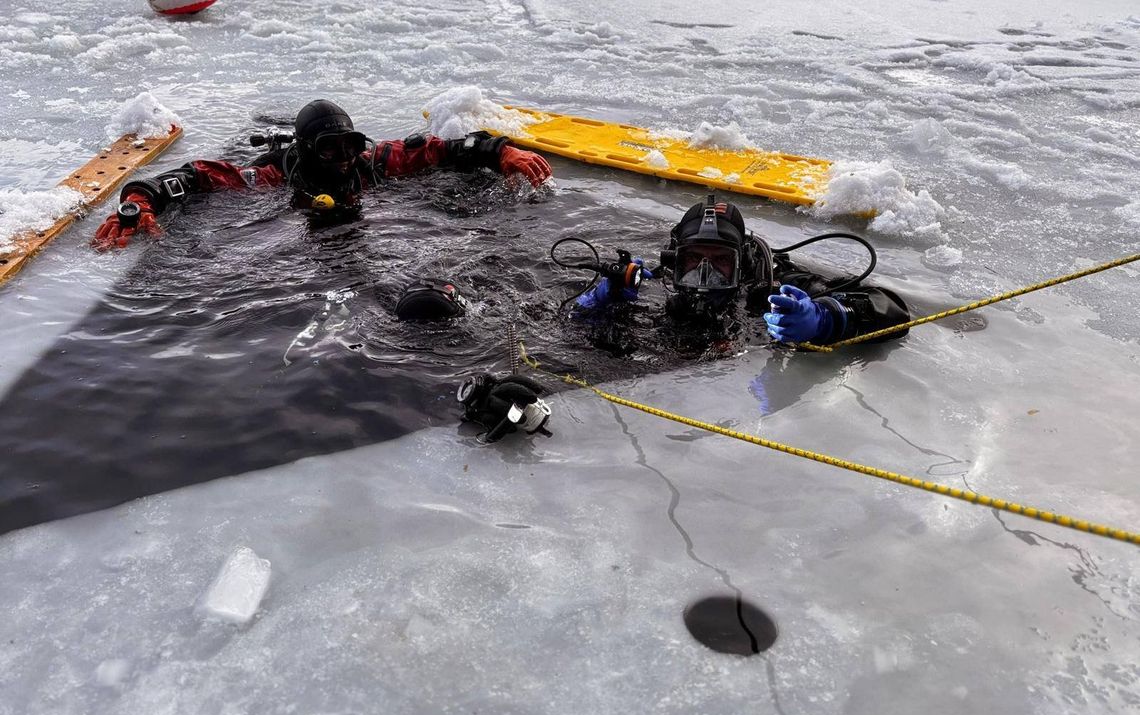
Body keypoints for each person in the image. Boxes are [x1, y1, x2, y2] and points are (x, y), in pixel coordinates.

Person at [92, 99, 553, 251]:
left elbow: (444, 149)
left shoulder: (374, 160)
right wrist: (139, 200)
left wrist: (501, 152)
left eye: (348, 145)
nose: (342, 157)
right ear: (306, 151)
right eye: (328, 148)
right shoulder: (274, 175)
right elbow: (197, 176)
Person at [572, 195, 911, 346]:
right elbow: (571, 326)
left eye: (720, 261)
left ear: (743, 262)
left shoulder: (771, 286)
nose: (705, 273)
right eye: (693, 260)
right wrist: (598, 302)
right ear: (675, 258)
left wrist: (825, 318)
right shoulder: (656, 283)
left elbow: (894, 312)